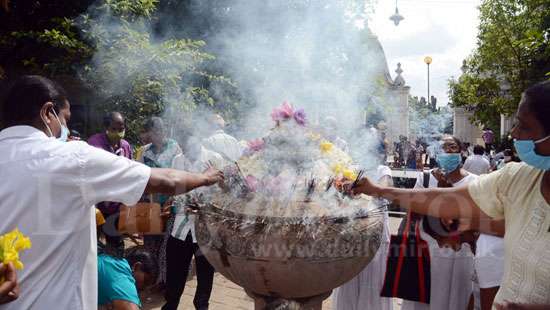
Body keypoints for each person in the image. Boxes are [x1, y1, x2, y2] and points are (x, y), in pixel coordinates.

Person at [0, 75, 223, 310]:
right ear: (48, 113)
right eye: (64, 119)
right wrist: (206, 178)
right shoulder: (72, 157)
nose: (64, 129)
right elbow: (165, 179)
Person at [351, 80, 550, 309]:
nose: (514, 133)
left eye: (523, 126)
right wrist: (377, 190)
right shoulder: (518, 177)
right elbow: (446, 202)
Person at [399, 135, 476, 310]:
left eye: (452, 147)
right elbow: (414, 211)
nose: (447, 152)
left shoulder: (474, 182)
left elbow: (472, 219)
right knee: (423, 299)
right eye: (443, 148)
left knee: (454, 299)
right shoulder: (425, 178)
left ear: (461, 151)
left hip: (459, 253)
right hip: (426, 251)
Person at [162, 137, 223, 310]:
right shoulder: (177, 160)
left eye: (189, 143)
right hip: (180, 227)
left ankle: (202, 306)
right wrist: (173, 202)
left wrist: (205, 206)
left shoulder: (214, 159)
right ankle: (171, 304)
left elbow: (223, 191)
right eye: (183, 145)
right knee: (175, 273)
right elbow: (175, 189)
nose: (185, 149)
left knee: (205, 274)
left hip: (205, 228)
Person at [332, 155, 394, 310]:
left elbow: (386, 190)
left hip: (373, 231)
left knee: (373, 279)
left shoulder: (382, 170)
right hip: (351, 232)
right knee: (349, 280)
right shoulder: (349, 170)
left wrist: (367, 191)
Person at [138, 116, 183, 287]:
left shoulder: (175, 148)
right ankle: (151, 278)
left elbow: (179, 176)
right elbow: (140, 178)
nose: (160, 134)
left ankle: (164, 281)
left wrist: (170, 201)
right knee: (150, 244)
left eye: (162, 130)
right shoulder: (145, 152)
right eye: (155, 131)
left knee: (166, 246)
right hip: (151, 205)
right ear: (150, 133)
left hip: (170, 205)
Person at [88, 112, 133, 254]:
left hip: (115, 207)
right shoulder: (95, 144)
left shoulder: (125, 146)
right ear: (106, 128)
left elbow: (129, 172)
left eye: (121, 129)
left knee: (116, 247)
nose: (118, 133)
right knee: (92, 246)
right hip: (96, 206)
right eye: (114, 129)